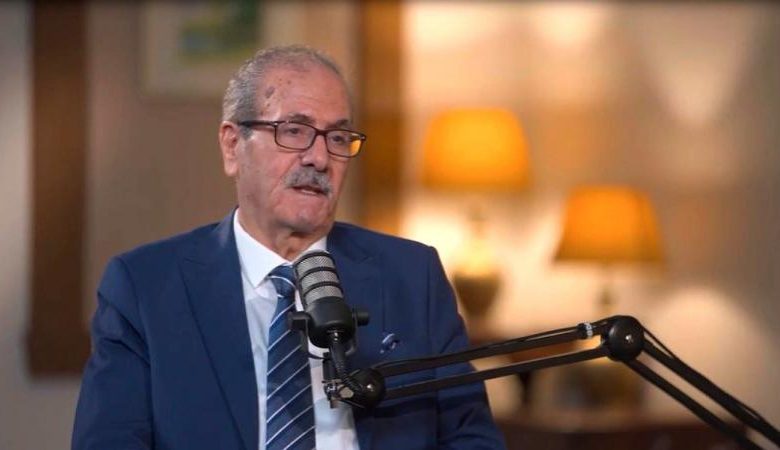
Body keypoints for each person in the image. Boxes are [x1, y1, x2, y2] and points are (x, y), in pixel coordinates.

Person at [72, 45, 505, 450]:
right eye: (294, 131)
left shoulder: (412, 275)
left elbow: (472, 439)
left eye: (338, 138)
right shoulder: (145, 288)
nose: (320, 158)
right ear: (232, 146)